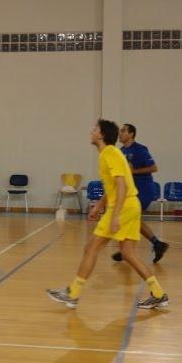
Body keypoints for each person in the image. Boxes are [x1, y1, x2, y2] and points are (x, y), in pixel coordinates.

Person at [47, 119, 169, 310]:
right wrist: (99, 205)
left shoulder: (110, 153)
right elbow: (113, 186)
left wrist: (115, 215)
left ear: (101, 135)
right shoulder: (110, 154)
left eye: (94, 129)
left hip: (124, 207)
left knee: (91, 248)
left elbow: (121, 185)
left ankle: (73, 294)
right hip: (130, 205)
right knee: (128, 254)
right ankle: (159, 294)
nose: (91, 131)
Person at [112, 124, 169, 262]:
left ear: (131, 134)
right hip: (132, 192)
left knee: (128, 217)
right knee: (133, 220)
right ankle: (156, 244)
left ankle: (126, 249)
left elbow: (153, 167)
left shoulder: (140, 149)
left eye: (123, 131)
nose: (120, 133)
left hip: (144, 189)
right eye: (120, 131)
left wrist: (133, 172)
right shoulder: (121, 151)